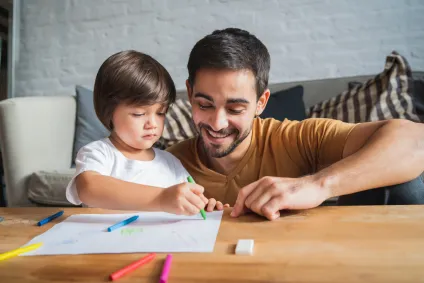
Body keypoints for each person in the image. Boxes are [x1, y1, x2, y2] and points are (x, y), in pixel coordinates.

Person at [167, 28, 424, 220]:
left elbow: (416, 139)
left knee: (405, 185)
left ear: (261, 102)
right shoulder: (168, 164)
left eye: (235, 108)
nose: (217, 123)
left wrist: (317, 185)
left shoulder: (296, 138)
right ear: (189, 94)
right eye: (204, 105)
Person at [66, 50, 228, 214]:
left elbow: (187, 200)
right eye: (139, 114)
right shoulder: (99, 153)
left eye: (160, 113)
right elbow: (89, 188)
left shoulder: (170, 162)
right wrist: (161, 198)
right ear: (109, 112)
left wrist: (203, 205)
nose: (152, 124)